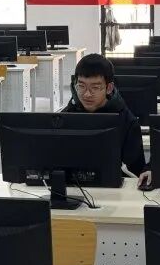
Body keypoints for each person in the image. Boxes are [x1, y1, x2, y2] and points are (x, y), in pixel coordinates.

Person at [62, 54, 149, 187]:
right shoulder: (65, 117)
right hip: (71, 188)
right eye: (81, 86)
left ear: (109, 88)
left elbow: (135, 173)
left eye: (95, 87)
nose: (87, 94)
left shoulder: (127, 121)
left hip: (115, 191)